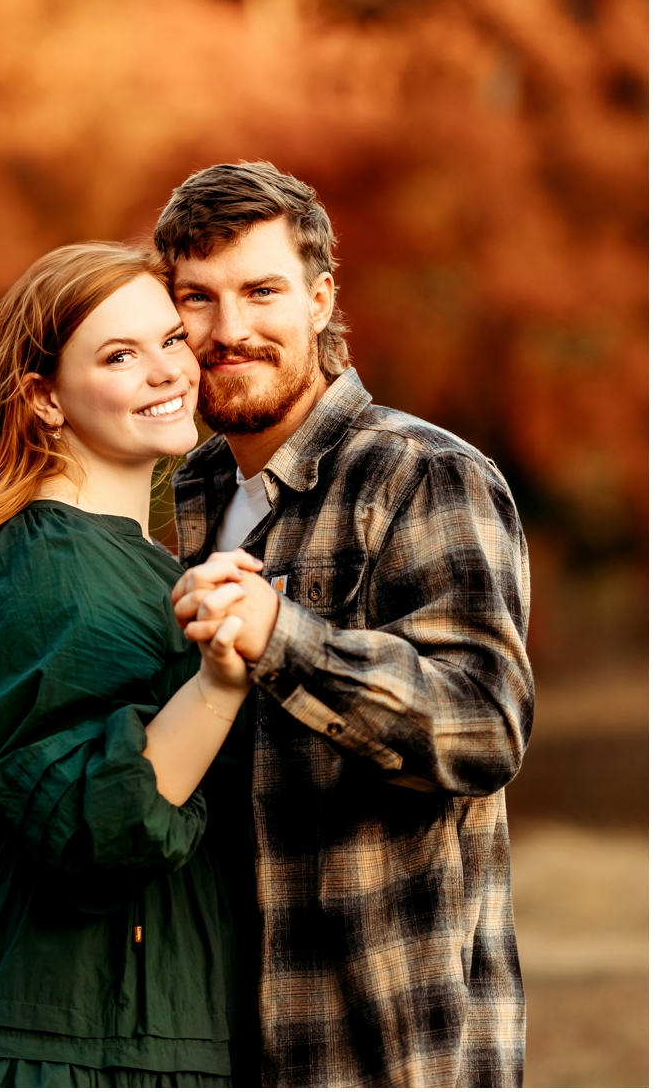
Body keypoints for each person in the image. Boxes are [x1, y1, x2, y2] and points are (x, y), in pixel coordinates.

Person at [158, 161, 532, 1087]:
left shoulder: (421, 474)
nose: (228, 328)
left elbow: (485, 726)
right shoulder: (192, 489)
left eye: (261, 290)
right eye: (195, 299)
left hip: (394, 1046)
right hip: (226, 1043)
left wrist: (283, 634)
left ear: (320, 298)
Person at [0, 242, 263, 1089]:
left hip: (137, 1021)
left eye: (169, 339)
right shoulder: (44, 561)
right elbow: (95, 826)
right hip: (71, 1040)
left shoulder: (135, 562)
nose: (168, 372)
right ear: (44, 398)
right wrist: (220, 687)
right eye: (121, 355)